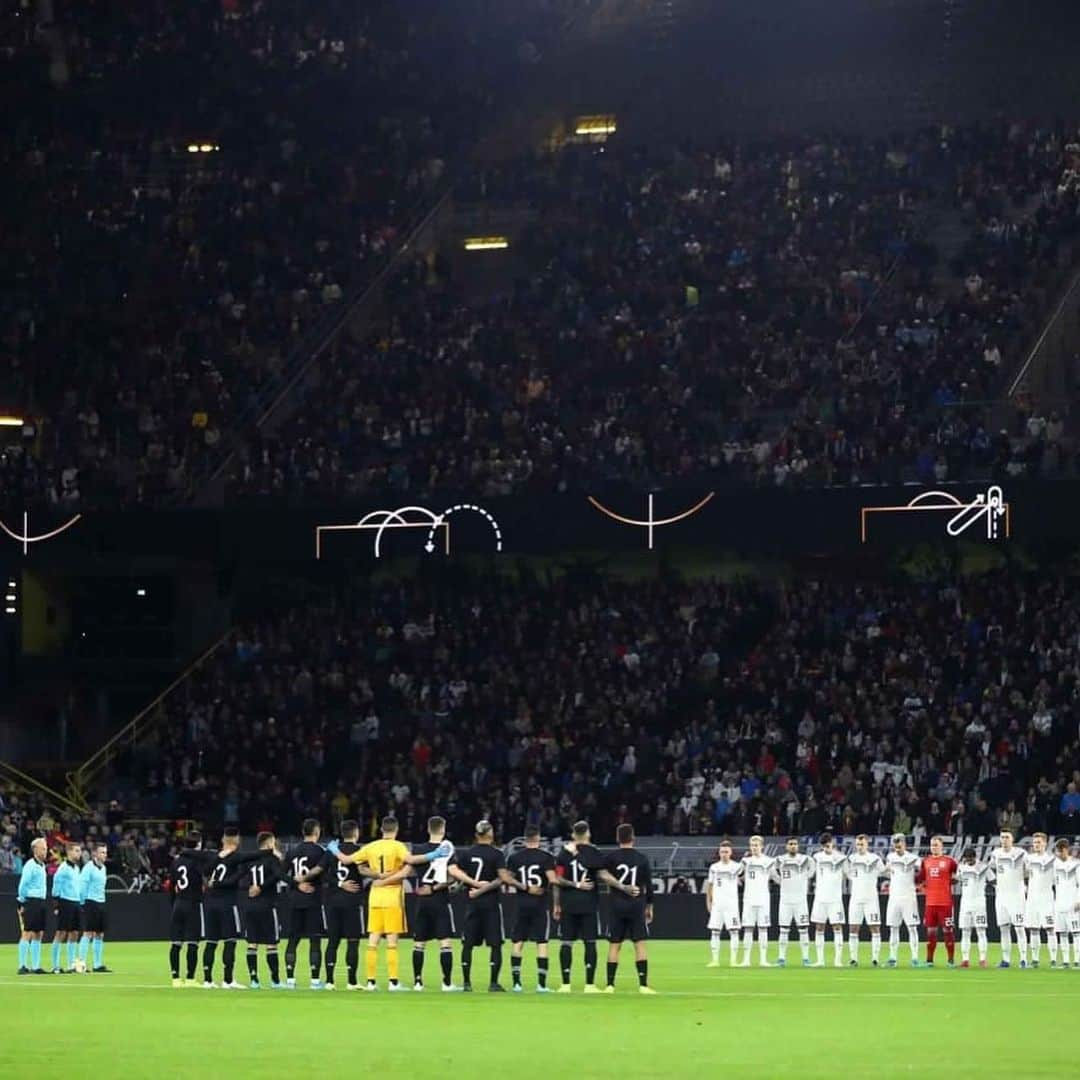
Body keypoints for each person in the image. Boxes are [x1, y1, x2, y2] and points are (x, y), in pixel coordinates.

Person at [329, 813, 444, 991]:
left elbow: (346, 860)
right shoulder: (398, 847)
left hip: (375, 896)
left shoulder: (371, 846)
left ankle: (370, 982)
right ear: (396, 830)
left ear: (381, 830)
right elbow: (412, 861)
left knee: (373, 939)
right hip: (392, 897)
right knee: (391, 941)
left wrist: (334, 849)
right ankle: (393, 982)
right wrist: (434, 854)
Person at [448, 819, 512, 992]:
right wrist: (485, 887)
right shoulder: (497, 854)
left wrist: (469, 886)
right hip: (491, 904)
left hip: (471, 903)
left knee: (467, 944)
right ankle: (493, 983)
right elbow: (502, 878)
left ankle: (467, 983)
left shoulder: (467, 853)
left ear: (476, 835)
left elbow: (459, 876)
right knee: (495, 944)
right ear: (491, 834)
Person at [203, 828, 261, 989]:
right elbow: (252, 858)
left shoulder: (214, 856)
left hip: (210, 904)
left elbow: (206, 872)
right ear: (236, 840)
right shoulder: (236, 857)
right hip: (227, 904)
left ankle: (207, 980)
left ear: (223, 840)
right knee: (230, 941)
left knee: (211, 942)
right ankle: (228, 980)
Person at [552, 820, 606, 992]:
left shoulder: (563, 853)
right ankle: (589, 984)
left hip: (568, 903)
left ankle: (565, 984)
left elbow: (557, 879)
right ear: (588, 833)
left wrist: (556, 904)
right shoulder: (595, 852)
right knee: (590, 943)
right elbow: (599, 871)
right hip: (589, 904)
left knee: (566, 943)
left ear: (573, 834)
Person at [601, 823, 656, 994]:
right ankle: (643, 985)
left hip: (617, 904)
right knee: (639, 944)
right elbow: (648, 885)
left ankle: (610, 985)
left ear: (618, 838)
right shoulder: (641, 858)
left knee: (614, 945)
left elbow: (603, 876)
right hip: (636, 904)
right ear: (633, 838)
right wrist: (649, 906)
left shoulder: (610, 858)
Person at [505, 824, 557, 992]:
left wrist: (524, 887)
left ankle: (516, 983)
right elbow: (553, 879)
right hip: (540, 904)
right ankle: (541, 985)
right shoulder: (546, 857)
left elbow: (508, 879)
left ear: (525, 838)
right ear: (538, 837)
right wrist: (550, 892)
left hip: (521, 903)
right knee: (541, 942)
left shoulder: (515, 858)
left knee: (518, 941)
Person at [319, 819, 369, 990]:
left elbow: (322, 873)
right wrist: (381, 875)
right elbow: (363, 871)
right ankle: (352, 981)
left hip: (332, 901)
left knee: (333, 941)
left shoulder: (331, 851)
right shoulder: (360, 852)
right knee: (353, 941)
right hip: (352, 902)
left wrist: (338, 884)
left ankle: (330, 981)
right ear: (356, 833)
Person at [282, 819, 329, 989]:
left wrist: (296, 884)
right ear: (317, 832)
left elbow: (281, 875)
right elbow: (325, 875)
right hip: (313, 900)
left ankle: (290, 980)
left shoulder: (292, 851)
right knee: (314, 939)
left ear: (303, 832)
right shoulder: (320, 852)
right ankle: (315, 981)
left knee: (293, 939)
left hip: (294, 900)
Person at [239, 831, 287, 989]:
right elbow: (278, 876)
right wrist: (261, 887)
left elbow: (241, 879)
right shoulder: (272, 859)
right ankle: (275, 981)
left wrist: (250, 887)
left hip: (250, 906)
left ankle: (254, 980)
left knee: (252, 944)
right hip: (267, 905)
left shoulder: (250, 860)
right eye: (273, 843)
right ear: (268, 844)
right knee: (271, 944)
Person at [168, 832, 217, 986]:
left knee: (176, 943)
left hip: (178, 904)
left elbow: (172, 885)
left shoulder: (176, 862)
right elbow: (206, 875)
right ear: (198, 844)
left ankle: (175, 978)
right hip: (193, 903)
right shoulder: (197, 861)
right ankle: (190, 978)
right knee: (193, 943)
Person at [771, 836, 814, 967]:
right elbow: (771, 870)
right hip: (785, 900)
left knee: (803, 929)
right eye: (790, 844)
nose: (793, 846)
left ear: (798, 846)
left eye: (795, 844)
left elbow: (813, 868)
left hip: (800, 900)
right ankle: (781, 958)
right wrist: (779, 880)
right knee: (784, 929)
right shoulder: (780, 859)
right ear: (786, 846)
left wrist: (808, 876)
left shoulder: (805, 859)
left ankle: (806, 958)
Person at [989, 828, 1028, 968]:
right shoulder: (995, 853)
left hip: (1016, 896)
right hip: (1001, 897)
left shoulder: (1021, 853)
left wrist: (1023, 883)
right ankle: (1005, 959)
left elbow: (1029, 870)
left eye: (1007, 837)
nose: (1004, 840)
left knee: (1019, 927)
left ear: (1012, 839)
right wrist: (995, 884)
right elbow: (989, 869)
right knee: (1004, 928)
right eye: (1002, 837)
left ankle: (1023, 959)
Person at [845, 834, 884, 967]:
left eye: (862, 844)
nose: (860, 846)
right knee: (853, 928)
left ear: (867, 844)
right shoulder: (851, 858)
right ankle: (853, 959)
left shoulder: (875, 858)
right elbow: (847, 874)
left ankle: (875, 959)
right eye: (858, 844)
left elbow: (883, 872)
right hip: (856, 898)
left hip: (871, 898)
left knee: (875, 927)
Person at [884, 832, 921, 967]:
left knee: (912, 927)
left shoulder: (914, 858)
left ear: (904, 843)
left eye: (899, 842)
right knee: (893, 928)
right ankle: (893, 957)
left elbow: (920, 873)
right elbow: (887, 871)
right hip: (894, 897)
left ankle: (915, 958)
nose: (896, 845)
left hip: (909, 897)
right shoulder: (890, 857)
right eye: (895, 843)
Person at [920, 836, 958, 967]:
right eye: (932, 845)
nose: (934, 847)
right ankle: (929, 960)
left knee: (948, 932)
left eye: (936, 845)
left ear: (942, 846)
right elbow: (921, 878)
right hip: (930, 904)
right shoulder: (925, 861)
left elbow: (956, 876)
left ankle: (951, 960)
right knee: (930, 934)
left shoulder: (950, 862)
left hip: (945, 903)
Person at [810, 832, 847, 968]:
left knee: (837, 927)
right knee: (819, 927)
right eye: (824, 845)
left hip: (835, 898)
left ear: (833, 843)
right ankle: (820, 960)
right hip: (820, 898)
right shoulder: (817, 857)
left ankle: (838, 960)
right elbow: (811, 873)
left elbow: (848, 874)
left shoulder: (842, 858)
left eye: (829, 844)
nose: (827, 847)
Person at [739, 834, 776, 967]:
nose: (754, 848)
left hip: (763, 899)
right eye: (752, 845)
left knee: (763, 929)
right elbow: (736, 874)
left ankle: (763, 959)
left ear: (762, 847)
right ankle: (746, 959)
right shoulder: (745, 861)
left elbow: (776, 877)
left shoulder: (769, 861)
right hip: (749, 899)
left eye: (757, 845)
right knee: (748, 928)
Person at [705, 840, 742, 967]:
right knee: (715, 931)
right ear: (719, 853)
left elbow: (744, 878)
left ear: (730, 852)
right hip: (718, 904)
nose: (724, 854)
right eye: (722, 852)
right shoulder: (714, 867)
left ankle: (733, 960)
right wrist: (709, 901)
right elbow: (710, 885)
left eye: (726, 851)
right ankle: (715, 960)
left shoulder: (737, 866)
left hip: (731, 904)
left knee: (734, 931)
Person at [1024, 832, 1057, 967]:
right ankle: (1035, 959)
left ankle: (1054, 959)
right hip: (1032, 899)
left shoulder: (1052, 860)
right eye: (1034, 842)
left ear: (1045, 843)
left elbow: (1056, 880)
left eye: (1039, 842)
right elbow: (1025, 875)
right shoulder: (1029, 859)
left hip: (1047, 900)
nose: (1036, 844)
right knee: (1034, 929)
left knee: (1050, 928)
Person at [957, 847, 993, 968]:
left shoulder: (983, 867)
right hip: (965, 903)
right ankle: (965, 959)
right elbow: (958, 880)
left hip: (979, 902)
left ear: (975, 857)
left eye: (970, 859)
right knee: (965, 931)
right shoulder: (961, 868)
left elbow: (993, 880)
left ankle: (983, 959)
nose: (969, 861)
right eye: (967, 859)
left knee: (981, 930)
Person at [16, 837, 48, 974]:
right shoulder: (30, 865)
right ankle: (22, 965)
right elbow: (23, 884)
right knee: (27, 932)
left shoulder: (42, 865)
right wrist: (22, 900)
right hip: (31, 901)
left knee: (38, 933)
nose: (45, 851)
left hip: (41, 901)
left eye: (46, 849)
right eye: (43, 848)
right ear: (35, 849)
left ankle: (35, 966)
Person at [50, 841, 83, 974]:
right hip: (65, 902)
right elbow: (55, 886)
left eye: (79, 851)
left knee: (74, 933)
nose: (79, 853)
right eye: (76, 851)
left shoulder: (77, 868)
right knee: (61, 933)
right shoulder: (63, 868)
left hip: (76, 902)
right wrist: (56, 904)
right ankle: (55, 965)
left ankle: (71, 964)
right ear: (69, 852)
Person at [78, 842, 110, 973]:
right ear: (95, 853)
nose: (104, 855)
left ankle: (97, 964)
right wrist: (82, 902)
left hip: (101, 902)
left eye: (105, 852)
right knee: (88, 933)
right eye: (102, 852)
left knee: (100, 934)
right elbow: (82, 886)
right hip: (90, 902)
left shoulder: (104, 868)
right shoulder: (88, 868)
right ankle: (81, 963)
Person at [1051, 839, 1080, 968]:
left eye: (1060, 851)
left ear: (1066, 850)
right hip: (1059, 904)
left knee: (1076, 933)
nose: (1058, 854)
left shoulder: (1076, 865)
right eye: (1057, 851)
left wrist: (1078, 900)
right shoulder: (1054, 866)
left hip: (1073, 904)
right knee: (1062, 933)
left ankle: (1078, 960)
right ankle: (1066, 961)